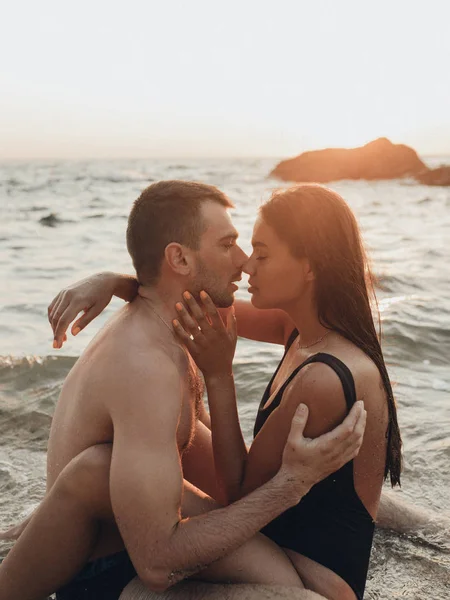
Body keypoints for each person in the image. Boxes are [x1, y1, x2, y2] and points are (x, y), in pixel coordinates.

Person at [0, 180, 367, 600]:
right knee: (300, 595)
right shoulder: (145, 368)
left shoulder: (181, 321)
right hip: (101, 575)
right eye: (228, 244)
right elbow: (158, 563)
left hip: (136, 534)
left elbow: (224, 489)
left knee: (308, 571)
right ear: (178, 258)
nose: (244, 262)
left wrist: (120, 281)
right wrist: (293, 483)